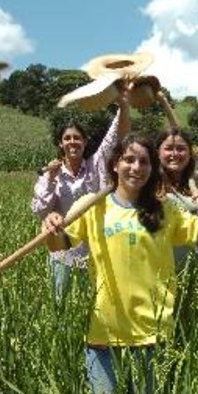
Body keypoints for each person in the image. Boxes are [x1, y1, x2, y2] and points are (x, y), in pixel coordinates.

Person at [42, 135, 198, 394]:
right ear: (115, 164)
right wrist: (51, 226)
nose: (136, 167)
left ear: (153, 169)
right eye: (129, 159)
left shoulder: (166, 211)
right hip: (104, 337)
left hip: (152, 337)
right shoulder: (94, 206)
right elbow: (59, 245)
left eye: (144, 161)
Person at [31, 89, 130, 303]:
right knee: (62, 306)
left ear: (85, 142)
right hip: (63, 250)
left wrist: (123, 105)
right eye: (67, 138)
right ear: (60, 144)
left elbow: (114, 136)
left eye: (77, 138)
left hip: (95, 250)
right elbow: (39, 211)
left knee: (95, 305)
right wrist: (50, 180)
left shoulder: (97, 165)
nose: (72, 142)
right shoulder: (50, 174)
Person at [155, 124, 198, 268]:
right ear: (158, 153)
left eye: (181, 149)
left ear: (189, 153)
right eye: (168, 148)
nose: (174, 154)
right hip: (164, 271)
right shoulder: (150, 184)